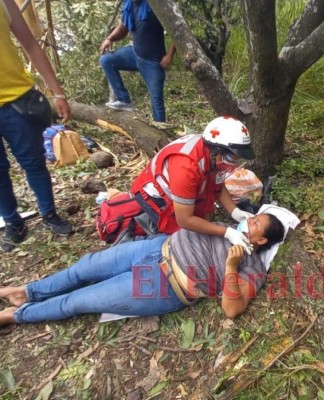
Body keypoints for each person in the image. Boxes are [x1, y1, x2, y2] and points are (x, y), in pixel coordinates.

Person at [0, 213, 285, 326]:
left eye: (255, 223)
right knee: (82, 268)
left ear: (261, 240)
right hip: (153, 248)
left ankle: (16, 316)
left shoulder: (253, 267)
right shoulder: (226, 228)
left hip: (164, 284)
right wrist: (226, 228)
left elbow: (231, 310)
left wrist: (231, 267)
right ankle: (25, 292)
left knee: (79, 300)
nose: (248, 221)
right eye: (252, 216)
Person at [0, 0, 73, 253]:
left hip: (16, 100)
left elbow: (30, 44)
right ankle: (13, 223)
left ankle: (49, 214)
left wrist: (58, 93)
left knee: (33, 162)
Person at [130, 115, 257, 254]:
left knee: (204, 228)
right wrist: (227, 233)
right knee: (181, 240)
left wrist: (234, 211)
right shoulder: (185, 167)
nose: (233, 162)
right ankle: (144, 245)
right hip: (155, 194)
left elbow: (218, 185)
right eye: (231, 157)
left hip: (186, 188)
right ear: (216, 151)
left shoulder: (211, 154)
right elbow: (184, 220)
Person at [98, 0, 176, 128]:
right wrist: (109, 38)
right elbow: (123, 28)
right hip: (135, 54)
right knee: (106, 60)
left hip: (153, 62)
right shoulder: (129, 5)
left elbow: (175, 30)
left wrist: (169, 55)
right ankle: (123, 99)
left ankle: (161, 133)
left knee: (157, 102)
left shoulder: (155, 5)